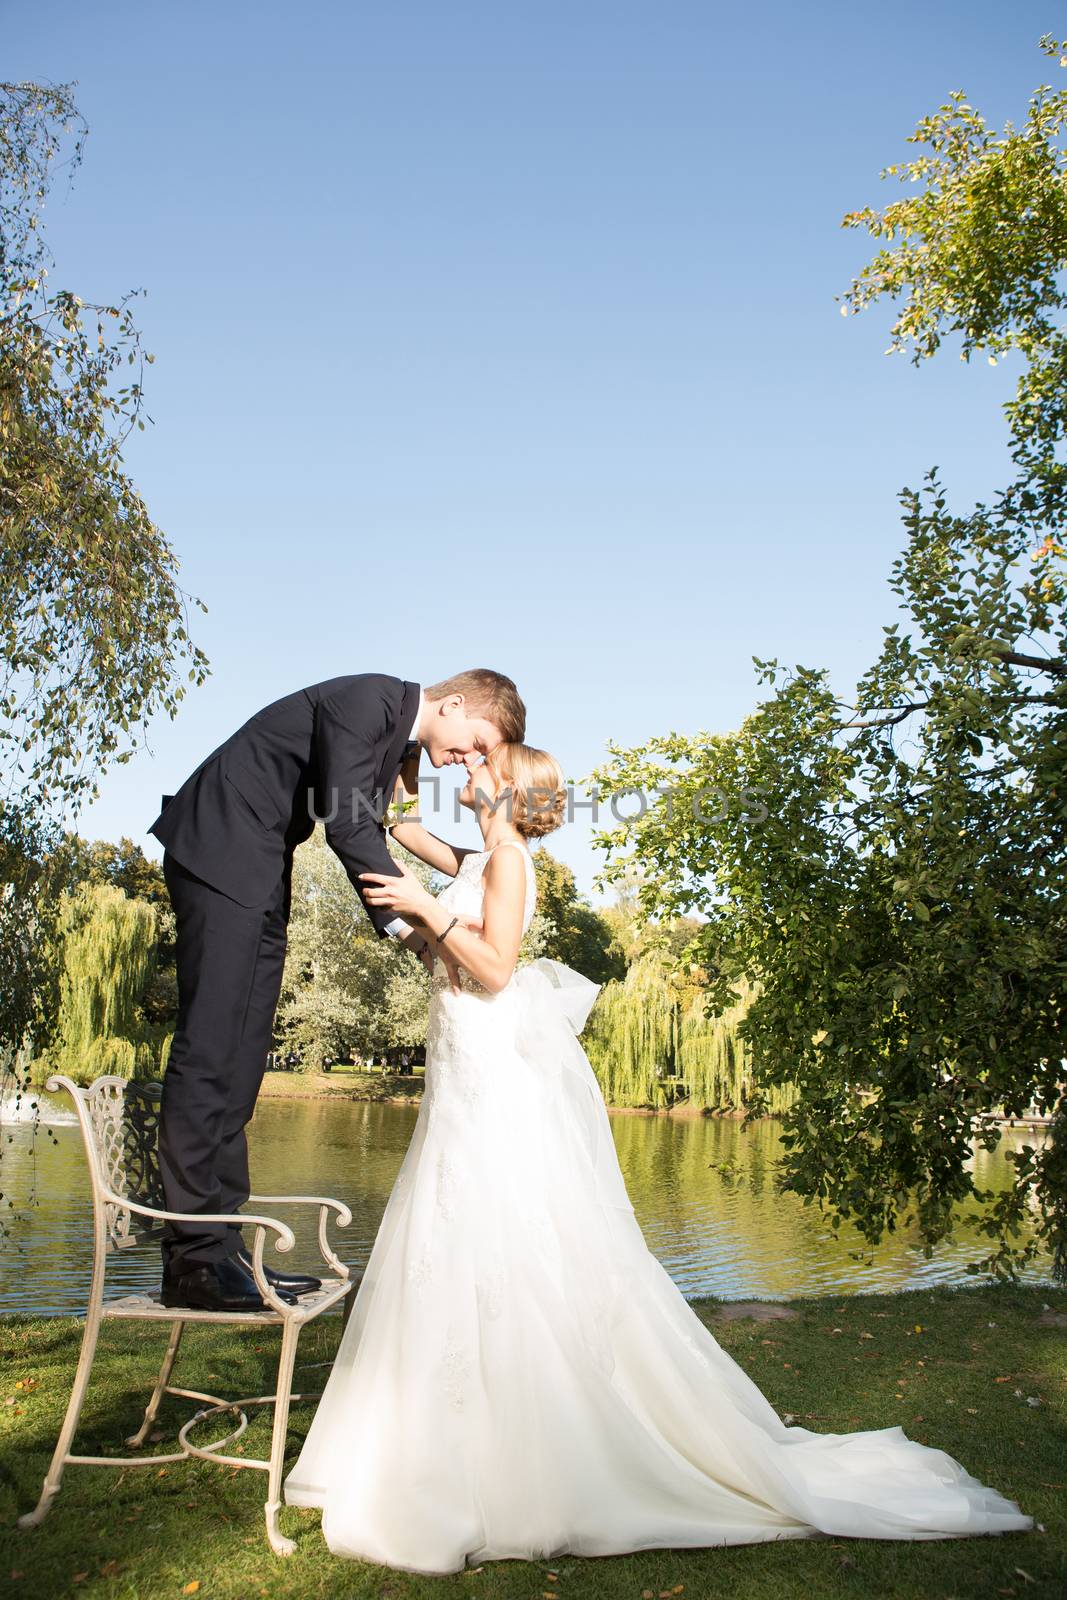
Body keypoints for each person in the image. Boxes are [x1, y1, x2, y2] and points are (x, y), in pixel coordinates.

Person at [284, 744, 1033, 1573]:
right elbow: (407, 832)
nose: (468, 775)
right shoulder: (479, 855)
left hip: (489, 1061)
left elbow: (494, 968)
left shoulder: (509, 863)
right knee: (452, 1229)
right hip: (464, 1065)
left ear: (507, 790)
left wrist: (427, 912)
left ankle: (525, 1446)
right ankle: (445, 1431)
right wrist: (400, 775)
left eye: (478, 768)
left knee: (501, 1225)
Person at [146, 668, 525, 1312]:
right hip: (219, 849)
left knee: (243, 1058)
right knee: (211, 1047)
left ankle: (226, 1248)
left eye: (481, 757)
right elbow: (349, 828)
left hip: (261, 865)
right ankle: (191, 1259)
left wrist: (464, 862)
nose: (469, 759)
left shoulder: (396, 744)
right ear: (454, 703)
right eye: (477, 742)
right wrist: (422, 936)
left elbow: (380, 824)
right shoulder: (369, 701)